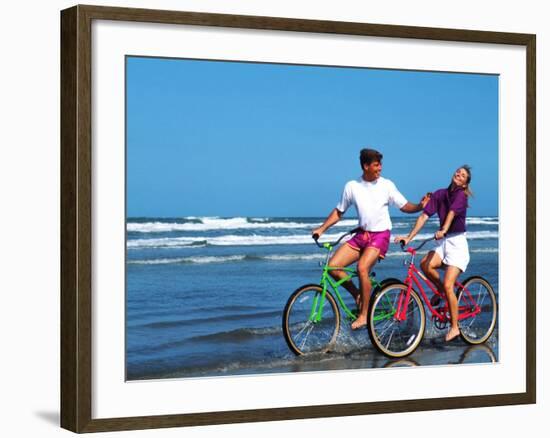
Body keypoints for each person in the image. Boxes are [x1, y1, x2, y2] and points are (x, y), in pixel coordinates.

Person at [312, 148, 430, 330]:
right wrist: (322, 228)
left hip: (380, 235)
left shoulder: (386, 185)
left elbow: (404, 206)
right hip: (361, 236)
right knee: (334, 267)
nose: (380, 168)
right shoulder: (352, 186)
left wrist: (419, 206)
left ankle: (364, 315)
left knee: (362, 268)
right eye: (376, 165)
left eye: (380, 164)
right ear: (366, 166)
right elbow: (338, 212)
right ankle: (358, 294)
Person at [394, 165, 473, 342]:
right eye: (458, 173)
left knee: (448, 284)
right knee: (424, 264)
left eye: (462, 176)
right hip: (443, 241)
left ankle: (454, 327)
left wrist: (444, 229)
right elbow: (423, 216)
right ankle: (441, 292)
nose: (458, 176)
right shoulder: (439, 194)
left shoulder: (461, 195)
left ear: (464, 184)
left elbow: (452, 213)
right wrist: (409, 237)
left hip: (457, 243)